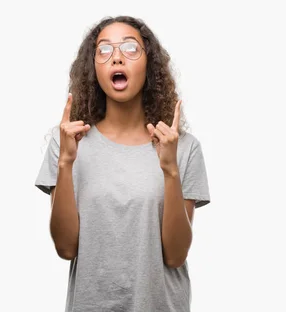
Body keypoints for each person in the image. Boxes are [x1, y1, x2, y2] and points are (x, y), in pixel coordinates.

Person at [34, 15, 210, 312]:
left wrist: (170, 170)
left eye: (130, 48)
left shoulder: (182, 147)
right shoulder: (67, 142)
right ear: (93, 68)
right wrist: (65, 162)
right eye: (104, 50)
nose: (116, 57)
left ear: (149, 64)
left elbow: (176, 255)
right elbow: (65, 248)